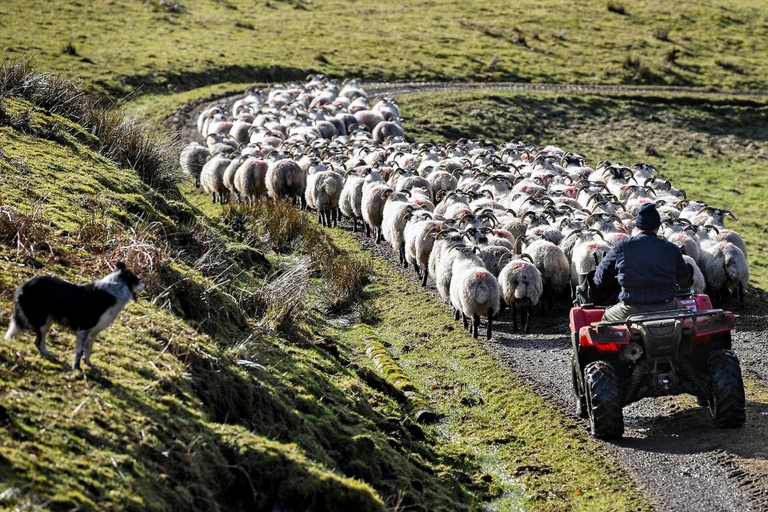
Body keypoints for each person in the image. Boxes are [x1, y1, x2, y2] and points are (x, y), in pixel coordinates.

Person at [591, 203, 694, 322]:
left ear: (638, 226)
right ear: (658, 227)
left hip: (631, 308)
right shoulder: (672, 249)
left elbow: (600, 278)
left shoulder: (623, 246)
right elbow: (684, 281)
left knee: (606, 317)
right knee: (689, 317)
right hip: (667, 306)